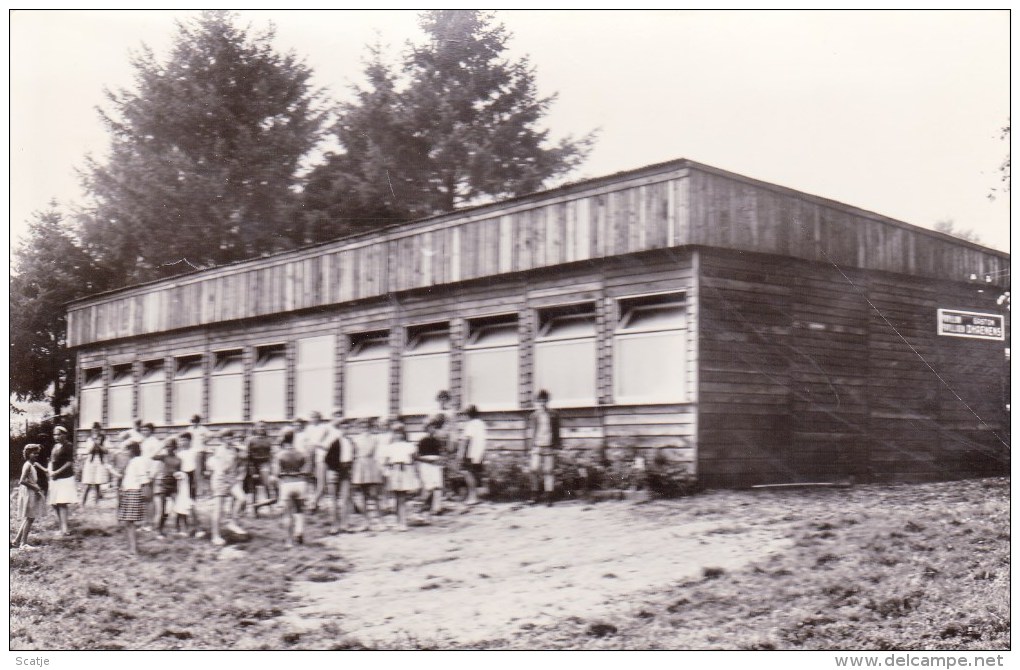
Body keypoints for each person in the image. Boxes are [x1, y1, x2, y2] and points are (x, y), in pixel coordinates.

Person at [207, 431, 249, 546]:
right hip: (220, 480)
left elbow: (245, 456)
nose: (229, 439)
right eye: (227, 437)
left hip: (231, 479)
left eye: (231, 437)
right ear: (222, 439)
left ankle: (232, 522)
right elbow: (219, 466)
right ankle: (215, 536)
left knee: (242, 499)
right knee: (218, 509)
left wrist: (241, 447)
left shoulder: (233, 449)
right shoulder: (220, 450)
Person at [274, 429, 312, 546]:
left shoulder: (279, 455)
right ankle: (299, 531)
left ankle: (289, 541)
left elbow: (276, 473)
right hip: (300, 483)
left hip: (286, 484)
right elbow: (307, 470)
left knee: (288, 513)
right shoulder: (301, 453)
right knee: (300, 510)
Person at [381, 423, 419, 532]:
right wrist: (386, 471)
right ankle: (398, 522)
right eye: (395, 432)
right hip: (394, 470)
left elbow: (414, 459)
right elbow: (386, 461)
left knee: (402, 498)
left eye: (400, 432)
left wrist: (415, 474)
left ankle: (403, 522)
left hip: (405, 470)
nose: (398, 435)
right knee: (397, 498)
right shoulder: (389, 447)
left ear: (403, 433)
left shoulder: (409, 446)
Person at [527, 389, 562, 506]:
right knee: (533, 469)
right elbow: (532, 432)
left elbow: (557, 432)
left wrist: (558, 446)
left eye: (544, 401)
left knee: (548, 471)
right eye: (540, 401)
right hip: (537, 446)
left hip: (549, 446)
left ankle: (549, 497)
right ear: (537, 402)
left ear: (547, 401)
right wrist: (531, 447)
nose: (542, 403)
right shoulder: (534, 416)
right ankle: (534, 495)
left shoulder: (554, 415)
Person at [350, 418, 384, 532]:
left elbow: (378, 454)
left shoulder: (375, 438)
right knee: (362, 496)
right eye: (361, 425)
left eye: (365, 424)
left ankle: (379, 521)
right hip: (360, 465)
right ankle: (366, 522)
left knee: (374, 494)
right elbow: (353, 453)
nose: (364, 427)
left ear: (369, 426)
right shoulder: (355, 439)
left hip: (371, 465)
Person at [324, 414, 355, 535]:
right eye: (342, 428)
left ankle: (345, 524)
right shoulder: (334, 442)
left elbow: (353, 457)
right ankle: (334, 525)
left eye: (347, 428)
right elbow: (327, 459)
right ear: (339, 429)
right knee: (333, 499)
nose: (345, 430)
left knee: (345, 498)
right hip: (334, 471)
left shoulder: (351, 442)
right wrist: (333, 470)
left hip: (346, 471)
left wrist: (349, 468)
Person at [12, 444, 47, 549]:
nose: (36, 455)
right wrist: (35, 487)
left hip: (31, 492)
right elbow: (21, 481)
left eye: (37, 453)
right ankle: (23, 543)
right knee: (30, 517)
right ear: (28, 454)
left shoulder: (32, 464)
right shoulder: (27, 465)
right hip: (29, 492)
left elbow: (37, 464)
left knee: (28, 517)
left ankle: (16, 541)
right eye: (34, 453)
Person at [117, 442, 148, 555]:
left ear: (132, 450)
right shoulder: (132, 461)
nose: (126, 452)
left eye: (127, 450)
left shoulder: (138, 461)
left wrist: (143, 494)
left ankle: (133, 549)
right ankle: (131, 548)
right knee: (127, 523)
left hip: (134, 492)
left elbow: (143, 479)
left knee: (130, 523)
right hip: (129, 492)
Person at [415, 417, 446, 524]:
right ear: (426, 428)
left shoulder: (437, 440)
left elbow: (441, 453)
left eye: (434, 427)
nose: (432, 429)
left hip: (436, 465)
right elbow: (417, 456)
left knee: (437, 486)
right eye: (429, 427)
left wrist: (441, 460)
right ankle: (423, 505)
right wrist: (428, 461)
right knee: (429, 487)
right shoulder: (422, 441)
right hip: (426, 465)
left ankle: (436, 508)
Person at [151, 437, 183, 539]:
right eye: (167, 446)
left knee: (178, 507)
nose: (169, 448)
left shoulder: (178, 459)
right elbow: (152, 456)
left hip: (173, 486)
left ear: (175, 447)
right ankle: (158, 531)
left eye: (171, 446)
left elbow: (180, 472)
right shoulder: (164, 457)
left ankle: (177, 528)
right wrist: (162, 446)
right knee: (162, 510)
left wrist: (179, 476)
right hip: (163, 485)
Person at [48, 426, 76, 536]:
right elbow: (51, 461)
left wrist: (57, 472)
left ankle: (65, 529)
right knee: (54, 503)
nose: (57, 437)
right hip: (54, 478)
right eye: (55, 435)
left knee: (62, 502)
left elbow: (69, 463)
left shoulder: (68, 446)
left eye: (59, 434)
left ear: (65, 435)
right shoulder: (55, 447)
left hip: (65, 478)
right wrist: (50, 471)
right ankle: (61, 526)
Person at [245, 421, 277, 516]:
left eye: (263, 427)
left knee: (267, 485)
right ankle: (254, 511)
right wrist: (251, 468)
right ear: (255, 428)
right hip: (253, 464)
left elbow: (272, 454)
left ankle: (270, 509)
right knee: (253, 488)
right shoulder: (250, 440)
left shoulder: (269, 440)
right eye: (259, 427)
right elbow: (247, 454)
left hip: (265, 464)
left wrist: (272, 467)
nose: (261, 428)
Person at [459, 406, 488, 506]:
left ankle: (473, 497)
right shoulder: (481, 424)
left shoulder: (470, 424)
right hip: (479, 453)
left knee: (467, 473)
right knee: (474, 474)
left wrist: (461, 453)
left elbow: (466, 439)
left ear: (468, 415)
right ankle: (474, 496)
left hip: (470, 453)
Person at [304, 411, 332, 513]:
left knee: (321, 483)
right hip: (310, 456)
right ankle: (314, 504)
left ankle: (313, 503)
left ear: (319, 418)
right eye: (312, 417)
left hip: (321, 457)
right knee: (310, 481)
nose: (313, 419)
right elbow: (306, 443)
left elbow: (328, 443)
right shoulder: (308, 428)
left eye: (315, 417)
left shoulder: (325, 428)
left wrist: (318, 445)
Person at [137, 423, 162, 531]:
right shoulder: (143, 442)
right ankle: (145, 522)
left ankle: (150, 523)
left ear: (152, 431)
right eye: (142, 429)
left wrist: (153, 473)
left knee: (149, 499)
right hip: (143, 471)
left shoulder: (155, 442)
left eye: (146, 429)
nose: (144, 431)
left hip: (150, 473)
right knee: (144, 498)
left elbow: (157, 459)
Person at [79, 422, 110, 505]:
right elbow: (88, 450)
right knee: (88, 482)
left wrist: (99, 445)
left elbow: (106, 451)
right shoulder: (89, 439)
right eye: (94, 430)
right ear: (92, 430)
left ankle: (96, 503)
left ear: (100, 430)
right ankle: (82, 503)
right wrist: (94, 443)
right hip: (90, 461)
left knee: (97, 482)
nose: (96, 431)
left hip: (99, 461)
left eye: (97, 430)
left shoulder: (104, 438)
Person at [187, 415, 211, 498]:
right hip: (191, 451)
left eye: (195, 421)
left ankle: (200, 491)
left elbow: (211, 435)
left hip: (200, 451)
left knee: (198, 471)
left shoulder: (203, 429)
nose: (194, 423)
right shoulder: (189, 429)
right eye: (193, 421)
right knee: (191, 470)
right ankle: (194, 489)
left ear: (198, 421)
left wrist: (205, 441)